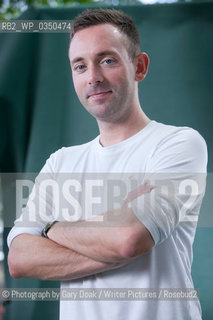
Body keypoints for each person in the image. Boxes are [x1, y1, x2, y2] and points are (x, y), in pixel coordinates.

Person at [7, 8, 207, 320]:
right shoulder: (60, 163)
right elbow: (20, 260)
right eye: (80, 66)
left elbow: (128, 239)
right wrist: (111, 237)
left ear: (139, 66)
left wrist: (51, 228)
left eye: (107, 60)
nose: (93, 77)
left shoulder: (179, 144)